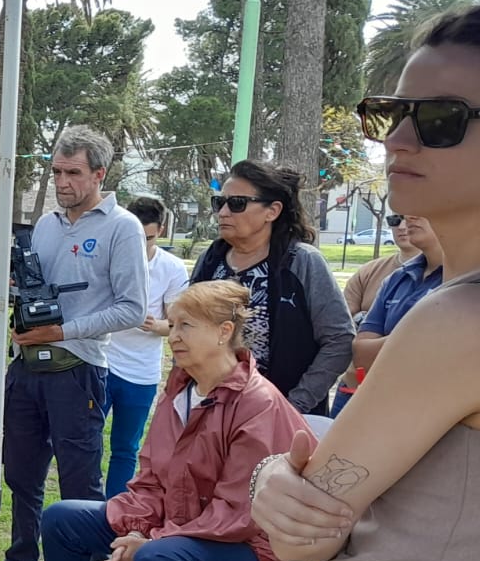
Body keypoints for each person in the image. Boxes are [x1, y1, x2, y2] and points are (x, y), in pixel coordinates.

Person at [250, 6, 480, 561]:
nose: (400, 141)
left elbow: (307, 527)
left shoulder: (459, 320)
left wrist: (274, 471)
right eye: (391, 113)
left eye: (443, 120)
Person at [41, 281, 311, 561]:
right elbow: (150, 479)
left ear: (225, 332)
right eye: (173, 323)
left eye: (186, 325)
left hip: (249, 541)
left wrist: (149, 541)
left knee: (157, 560)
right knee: (63, 519)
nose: (173, 335)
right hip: (180, 530)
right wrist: (137, 528)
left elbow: (238, 510)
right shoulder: (179, 393)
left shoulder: (257, 403)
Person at [0, 125, 148, 561]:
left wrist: (63, 331)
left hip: (78, 369)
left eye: (72, 173)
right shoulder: (48, 225)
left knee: (79, 479)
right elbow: (28, 289)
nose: (62, 182)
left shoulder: (122, 227)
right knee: (21, 472)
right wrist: (9, 290)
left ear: (100, 174)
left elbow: (133, 308)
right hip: (27, 367)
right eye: (56, 172)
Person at [190, 158, 353, 415]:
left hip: (279, 416)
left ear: (272, 211)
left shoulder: (302, 262)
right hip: (209, 410)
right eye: (219, 202)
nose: (223, 212)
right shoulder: (211, 260)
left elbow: (339, 339)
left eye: (237, 204)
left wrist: (293, 405)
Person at [102, 196, 189, 497]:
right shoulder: (109, 258)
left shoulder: (173, 268)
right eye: (134, 237)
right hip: (102, 362)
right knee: (84, 441)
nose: (139, 245)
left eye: (148, 238)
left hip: (141, 371)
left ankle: (111, 512)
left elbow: (178, 324)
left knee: (126, 448)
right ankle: (81, 508)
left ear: (161, 231)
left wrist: (154, 325)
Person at [330, 212, 418, 416]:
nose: (402, 226)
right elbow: (343, 324)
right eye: (395, 219)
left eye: (410, 217)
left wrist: (368, 321)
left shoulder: (447, 275)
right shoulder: (369, 271)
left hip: (405, 395)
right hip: (353, 387)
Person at [350, 213, 443, 379]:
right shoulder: (396, 277)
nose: (407, 219)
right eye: (395, 219)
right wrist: (419, 339)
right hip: (376, 392)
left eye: (422, 207)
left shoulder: (469, 279)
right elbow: (361, 355)